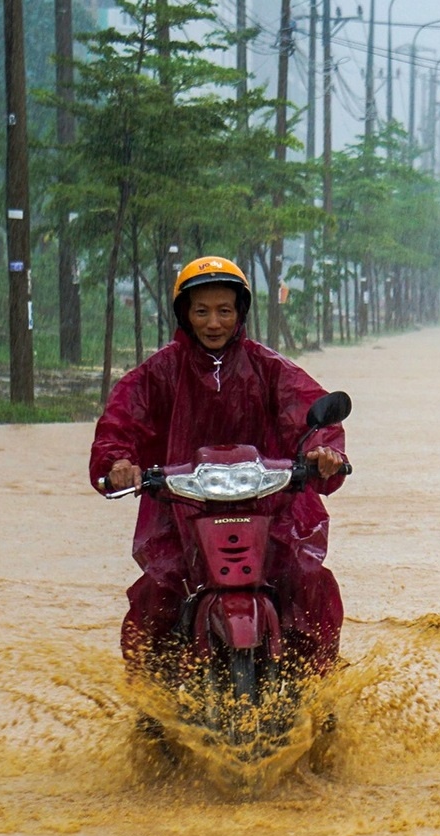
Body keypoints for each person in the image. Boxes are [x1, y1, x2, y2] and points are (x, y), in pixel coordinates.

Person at [89, 255, 348, 679]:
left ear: (240, 313)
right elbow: (121, 422)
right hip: (180, 510)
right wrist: (118, 462)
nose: (213, 323)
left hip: (271, 506)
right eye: (202, 311)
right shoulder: (158, 372)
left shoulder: (269, 368)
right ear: (185, 314)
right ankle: (152, 698)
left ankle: (321, 684)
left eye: (224, 310)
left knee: (307, 579)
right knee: (159, 591)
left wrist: (324, 453)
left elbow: (308, 412)